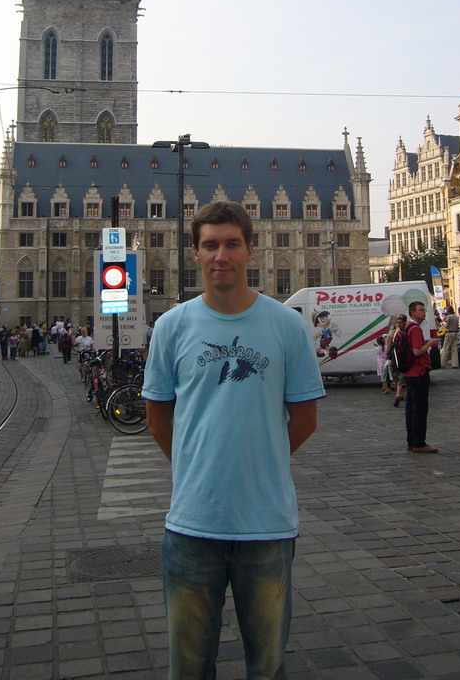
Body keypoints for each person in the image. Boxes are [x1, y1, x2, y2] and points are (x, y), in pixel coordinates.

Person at [142, 201, 324, 680]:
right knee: (188, 667)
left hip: (267, 525)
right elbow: (157, 414)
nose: (221, 255)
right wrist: (194, 464)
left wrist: (259, 461)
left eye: (231, 244)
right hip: (190, 524)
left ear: (250, 249)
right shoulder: (171, 327)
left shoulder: (287, 325)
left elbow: (306, 418)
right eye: (210, 245)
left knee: (267, 666)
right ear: (195, 255)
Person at [401, 301, 439, 453]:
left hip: (410, 372)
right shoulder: (415, 329)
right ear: (413, 313)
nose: (424, 313)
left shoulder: (408, 327)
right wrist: (429, 343)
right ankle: (419, 443)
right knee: (420, 409)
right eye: (421, 310)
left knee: (411, 409)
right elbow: (417, 351)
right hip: (419, 372)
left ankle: (412, 441)